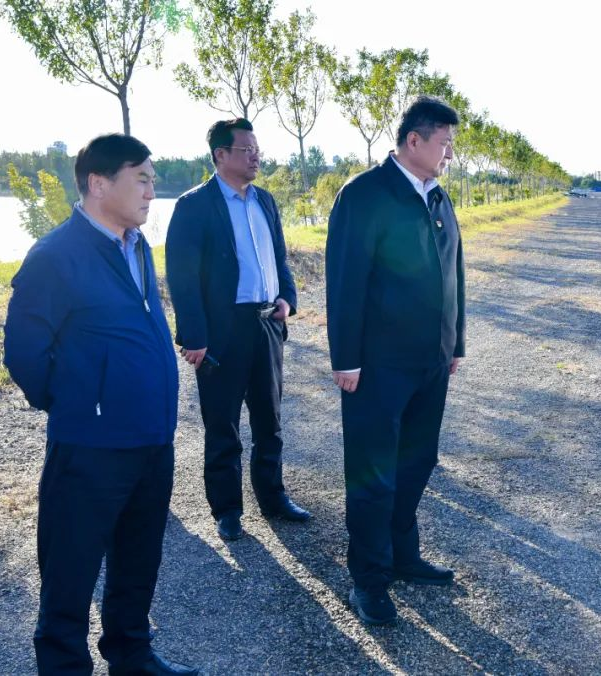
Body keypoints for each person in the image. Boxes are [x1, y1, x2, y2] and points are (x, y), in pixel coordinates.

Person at [4, 134, 197, 675]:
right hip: (88, 448)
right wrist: (80, 403)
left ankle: (131, 654)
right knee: (70, 572)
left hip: (152, 441)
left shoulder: (138, 246)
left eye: (153, 180)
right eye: (142, 179)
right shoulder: (54, 257)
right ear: (98, 184)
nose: (152, 192)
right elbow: (24, 354)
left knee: (138, 561)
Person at [325, 95, 466, 625]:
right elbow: (345, 280)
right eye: (444, 143)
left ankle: (403, 555)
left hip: (430, 362)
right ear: (414, 140)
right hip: (377, 366)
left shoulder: (439, 198)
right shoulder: (364, 195)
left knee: (417, 462)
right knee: (374, 475)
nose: (449, 153)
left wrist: (455, 343)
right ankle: (369, 579)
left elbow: (455, 274)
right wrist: (346, 358)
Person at [165, 118, 308, 542]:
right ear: (220, 155)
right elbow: (182, 277)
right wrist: (194, 336)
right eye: (247, 150)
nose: (256, 157)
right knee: (222, 424)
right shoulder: (194, 206)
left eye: (257, 149)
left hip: (267, 325)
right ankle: (227, 510)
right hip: (222, 330)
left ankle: (273, 497)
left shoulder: (265, 201)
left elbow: (279, 257)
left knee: (270, 420)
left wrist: (287, 298)